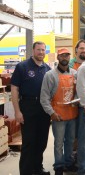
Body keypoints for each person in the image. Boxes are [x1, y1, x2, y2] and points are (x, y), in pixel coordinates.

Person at [11, 41, 51, 175]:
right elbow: (14, 89)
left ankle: (37, 168)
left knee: (42, 141)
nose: (41, 52)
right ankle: (26, 171)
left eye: (43, 50)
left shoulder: (47, 69)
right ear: (33, 51)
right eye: (38, 50)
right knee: (29, 142)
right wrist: (17, 111)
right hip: (28, 107)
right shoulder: (22, 67)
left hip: (43, 108)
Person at [40, 48, 78, 175]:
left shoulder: (74, 73)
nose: (65, 58)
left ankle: (68, 162)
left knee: (70, 141)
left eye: (67, 55)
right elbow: (44, 98)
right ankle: (59, 166)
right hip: (58, 116)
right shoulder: (50, 75)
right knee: (58, 143)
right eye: (62, 56)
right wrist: (52, 113)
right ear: (58, 57)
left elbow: (77, 92)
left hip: (72, 115)